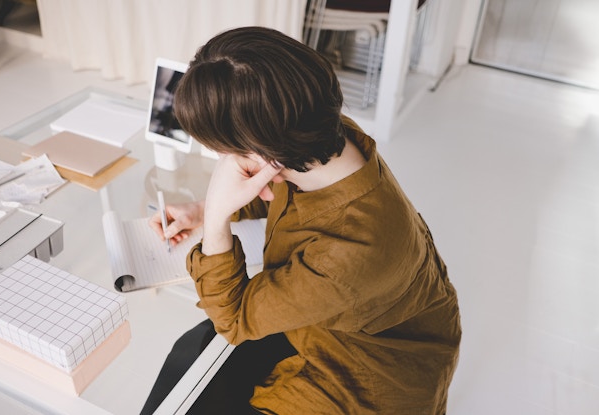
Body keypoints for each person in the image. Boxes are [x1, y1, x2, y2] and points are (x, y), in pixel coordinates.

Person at [143, 26, 461, 415]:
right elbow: (281, 195)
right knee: (188, 358)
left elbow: (235, 319)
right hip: (347, 323)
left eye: (226, 153)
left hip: (368, 378)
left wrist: (216, 219)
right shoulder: (325, 137)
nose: (225, 162)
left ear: (260, 154)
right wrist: (200, 209)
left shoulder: (350, 253)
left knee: (204, 368)